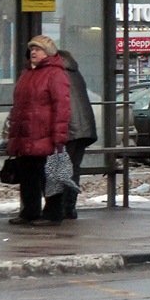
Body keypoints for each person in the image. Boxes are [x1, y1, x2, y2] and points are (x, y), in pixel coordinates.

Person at [5, 35, 72, 227]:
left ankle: (53, 213)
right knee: (28, 176)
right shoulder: (27, 73)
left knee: (48, 176)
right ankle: (30, 212)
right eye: (32, 48)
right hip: (26, 134)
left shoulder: (55, 74)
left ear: (49, 53)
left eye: (38, 49)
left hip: (45, 135)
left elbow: (62, 106)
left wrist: (59, 136)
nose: (33, 52)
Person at [56, 50, 98, 220]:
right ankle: (69, 207)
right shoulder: (74, 72)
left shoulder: (58, 73)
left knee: (60, 168)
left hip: (70, 128)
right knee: (73, 168)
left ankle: (61, 207)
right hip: (84, 128)